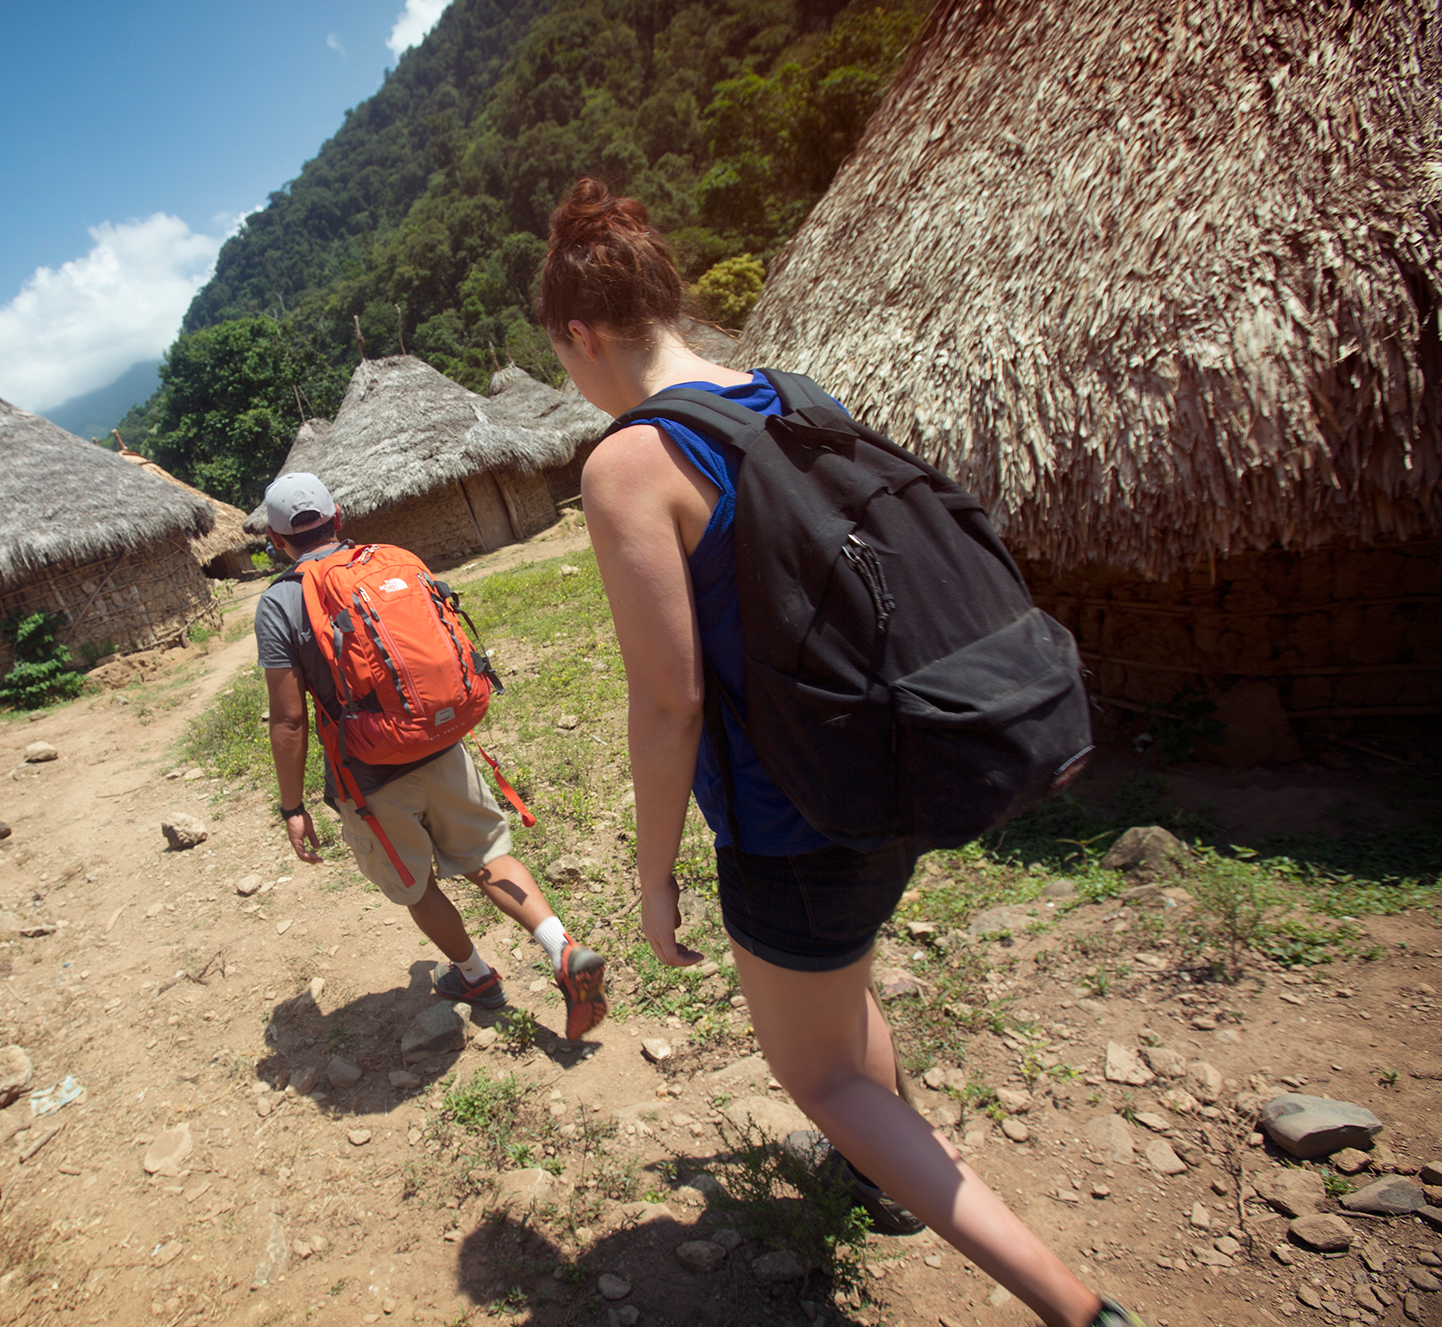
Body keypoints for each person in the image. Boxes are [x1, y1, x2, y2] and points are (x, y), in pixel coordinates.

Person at [538, 176, 1146, 1327]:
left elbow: (666, 705)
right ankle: (881, 1183)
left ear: (580, 334)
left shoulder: (628, 463)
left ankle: (1078, 1310)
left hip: (790, 819)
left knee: (815, 1072)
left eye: (563, 356)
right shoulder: (793, 394)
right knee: (841, 983)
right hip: (896, 759)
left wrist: (653, 870)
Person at [255, 471, 610, 1040]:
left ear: (276, 541)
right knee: (486, 855)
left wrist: (292, 806)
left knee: (418, 886)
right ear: (339, 516)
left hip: (370, 775)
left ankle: (474, 976)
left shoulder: (280, 603)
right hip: (441, 743)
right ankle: (561, 948)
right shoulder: (395, 561)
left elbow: (289, 718)